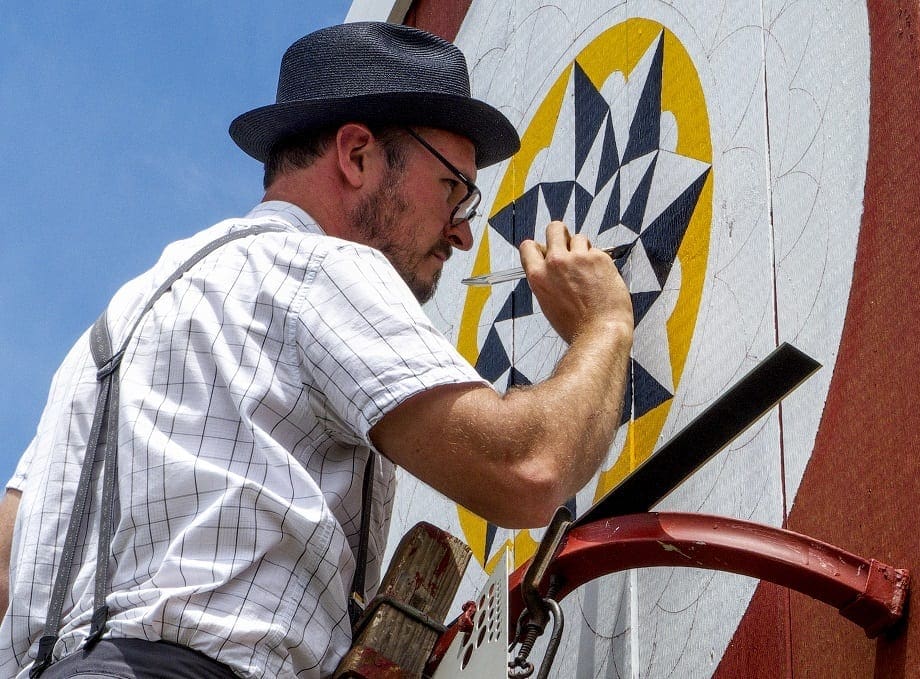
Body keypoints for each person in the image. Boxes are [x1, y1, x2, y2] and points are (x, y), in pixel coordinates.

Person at [0, 22, 633, 678]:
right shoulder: (317, 266)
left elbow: (5, 565)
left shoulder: (109, 333)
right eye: (453, 188)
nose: (464, 232)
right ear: (357, 155)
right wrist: (604, 325)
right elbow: (528, 468)